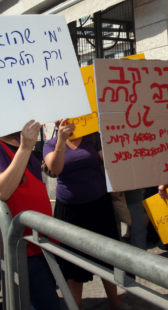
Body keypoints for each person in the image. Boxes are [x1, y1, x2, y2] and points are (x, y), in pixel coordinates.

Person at [0, 121, 60, 310]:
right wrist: (25, 147)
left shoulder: (14, 140)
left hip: (32, 238)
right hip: (17, 243)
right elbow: (1, 190)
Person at [43, 120, 130, 310]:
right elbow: (55, 169)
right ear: (56, 122)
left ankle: (115, 302)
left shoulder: (93, 137)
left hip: (99, 206)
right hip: (70, 211)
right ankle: (76, 305)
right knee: (72, 262)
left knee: (107, 255)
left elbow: (109, 160)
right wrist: (62, 140)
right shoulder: (50, 144)